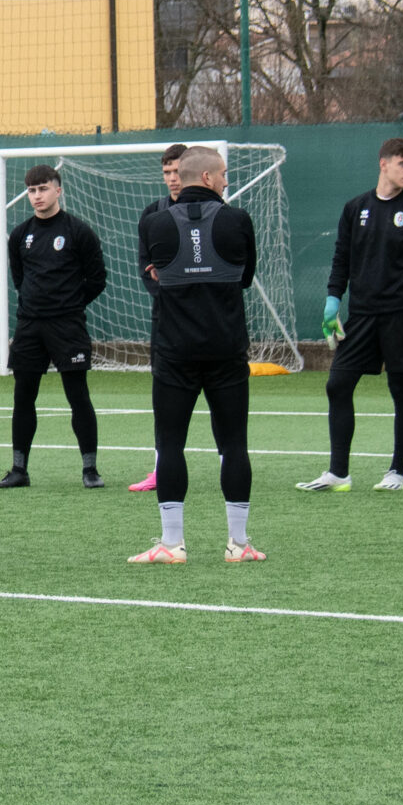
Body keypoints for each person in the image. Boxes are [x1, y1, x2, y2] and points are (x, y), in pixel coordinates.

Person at [129, 145, 264, 563]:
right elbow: (245, 279)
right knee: (234, 445)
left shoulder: (153, 223)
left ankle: (172, 545)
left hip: (173, 351)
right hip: (226, 350)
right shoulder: (238, 220)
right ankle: (238, 545)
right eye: (222, 174)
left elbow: (153, 273)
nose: (226, 180)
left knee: (170, 445)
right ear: (207, 178)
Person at [300, 138, 403, 493]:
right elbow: (341, 258)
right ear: (384, 164)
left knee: (401, 387)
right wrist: (333, 300)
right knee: (337, 384)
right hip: (361, 315)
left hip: (401, 316)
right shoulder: (355, 208)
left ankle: (397, 472)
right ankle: (338, 473)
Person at [0, 163, 107, 490]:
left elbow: (97, 279)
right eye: (31, 190)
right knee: (23, 398)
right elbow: (20, 279)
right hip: (30, 328)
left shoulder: (78, 231)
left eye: (43, 189)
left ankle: (90, 470)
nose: (37, 196)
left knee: (78, 396)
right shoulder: (20, 235)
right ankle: (19, 470)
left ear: (58, 190)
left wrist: (69, 303)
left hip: (68, 326)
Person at [125, 143, 188, 496]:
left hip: (207, 324)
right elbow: (146, 269)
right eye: (167, 173)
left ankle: (230, 463)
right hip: (166, 322)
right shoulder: (152, 214)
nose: (173, 179)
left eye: (177, 171)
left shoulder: (215, 211)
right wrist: (171, 300)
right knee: (163, 398)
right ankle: (161, 468)